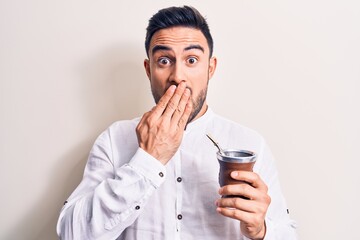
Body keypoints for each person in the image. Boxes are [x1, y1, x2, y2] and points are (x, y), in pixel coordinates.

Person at [57, 5, 297, 240]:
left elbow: (287, 233)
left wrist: (262, 231)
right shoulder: (114, 139)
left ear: (210, 68)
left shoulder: (250, 143)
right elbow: (70, 234)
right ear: (148, 69)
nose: (177, 76)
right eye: (163, 61)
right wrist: (148, 161)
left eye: (191, 60)